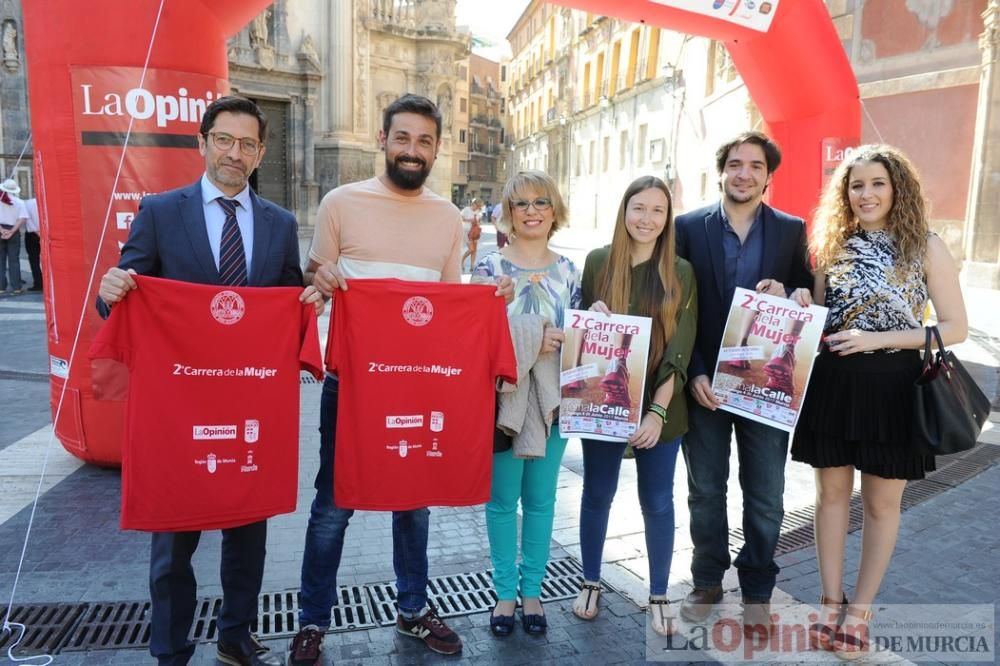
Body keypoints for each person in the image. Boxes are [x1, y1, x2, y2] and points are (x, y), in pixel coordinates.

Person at [97, 95, 322, 666]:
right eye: (224, 139)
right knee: (174, 536)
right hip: (181, 406)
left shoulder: (280, 224)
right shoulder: (160, 212)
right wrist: (110, 293)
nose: (234, 153)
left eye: (247, 144)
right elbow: (129, 293)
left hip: (249, 403)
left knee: (248, 527)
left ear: (261, 152)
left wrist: (310, 302)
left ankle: (235, 634)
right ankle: (170, 647)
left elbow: (286, 304)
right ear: (203, 143)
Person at [289, 94, 513, 666]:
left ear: (436, 149)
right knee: (333, 504)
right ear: (383, 141)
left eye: (424, 142)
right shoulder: (342, 203)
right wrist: (324, 274)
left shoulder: (447, 218)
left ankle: (413, 609)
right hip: (352, 383)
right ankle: (312, 621)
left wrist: (488, 301)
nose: (413, 150)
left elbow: (442, 306)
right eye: (403, 138)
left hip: (418, 382)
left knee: (415, 500)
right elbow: (314, 275)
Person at [790, 145, 967, 659]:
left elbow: (954, 327)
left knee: (880, 504)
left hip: (894, 386)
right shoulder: (833, 245)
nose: (865, 194)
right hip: (834, 385)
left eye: (877, 184)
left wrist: (876, 340)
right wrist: (804, 301)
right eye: (855, 185)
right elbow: (823, 316)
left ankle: (860, 611)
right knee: (829, 497)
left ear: (897, 189)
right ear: (844, 194)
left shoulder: (926, 245)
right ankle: (829, 601)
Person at [674, 131, 812, 634]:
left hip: (765, 388)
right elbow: (675, 306)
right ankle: (707, 579)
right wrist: (691, 373)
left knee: (766, 495)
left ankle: (757, 588)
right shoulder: (687, 228)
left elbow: (807, 292)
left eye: (755, 165)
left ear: (767, 176)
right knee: (705, 491)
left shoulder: (791, 230)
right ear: (722, 171)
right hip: (706, 383)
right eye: (736, 163)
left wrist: (792, 290)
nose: (744, 173)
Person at [571, 176, 697, 637]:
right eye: (638, 208)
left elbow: (680, 350)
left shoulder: (680, 271)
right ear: (624, 212)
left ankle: (660, 593)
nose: (647, 219)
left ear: (668, 219)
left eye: (658, 211)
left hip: (660, 408)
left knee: (658, 502)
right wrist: (592, 319)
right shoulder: (598, 262)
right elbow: (583, 342)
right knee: (597, 494)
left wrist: (657, 411)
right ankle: (589, 581)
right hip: (605, 403)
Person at [471, 170, 580, 637]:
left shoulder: (571, 270)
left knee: (540, 501)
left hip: (553, 401)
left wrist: (579, 328)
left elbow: (579, 339)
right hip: (502, 402)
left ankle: (533, 591)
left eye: (541, 202)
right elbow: (473, 339)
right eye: (522, 204)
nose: (532, 211)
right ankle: (504, 594)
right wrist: (508, 323)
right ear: (508, 214)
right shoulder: (488, 268)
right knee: (501, 502)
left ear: (554, 210)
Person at [0, 178, 27, 295]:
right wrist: (11, 232)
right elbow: (23, 218)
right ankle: (16, 287)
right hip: (14, 230)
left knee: (0, 260)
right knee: (14, 260)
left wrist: (2, 230)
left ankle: (1, 287)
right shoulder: (20, 202)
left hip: (1, 229)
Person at [460, 197, 484, 272]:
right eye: (477, 206)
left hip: (475, 232)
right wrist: (469, 220)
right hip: (467, 232)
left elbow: (479, 221)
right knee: (471, 249)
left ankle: (472, 266)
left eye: (479, 206)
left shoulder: (478, 212)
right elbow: (461, 218)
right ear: (473, 204)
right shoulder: (466, 209)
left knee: (474, 250)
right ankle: (461, 260)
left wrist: (478, 223)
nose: (477, 207)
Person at [23, 197, 42, 291]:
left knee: (34, 259)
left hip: (31, 234)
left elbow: (27, 219)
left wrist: (36, 231)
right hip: (45, 233)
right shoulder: (48, 202)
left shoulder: (28, 203)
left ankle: (38, 282)